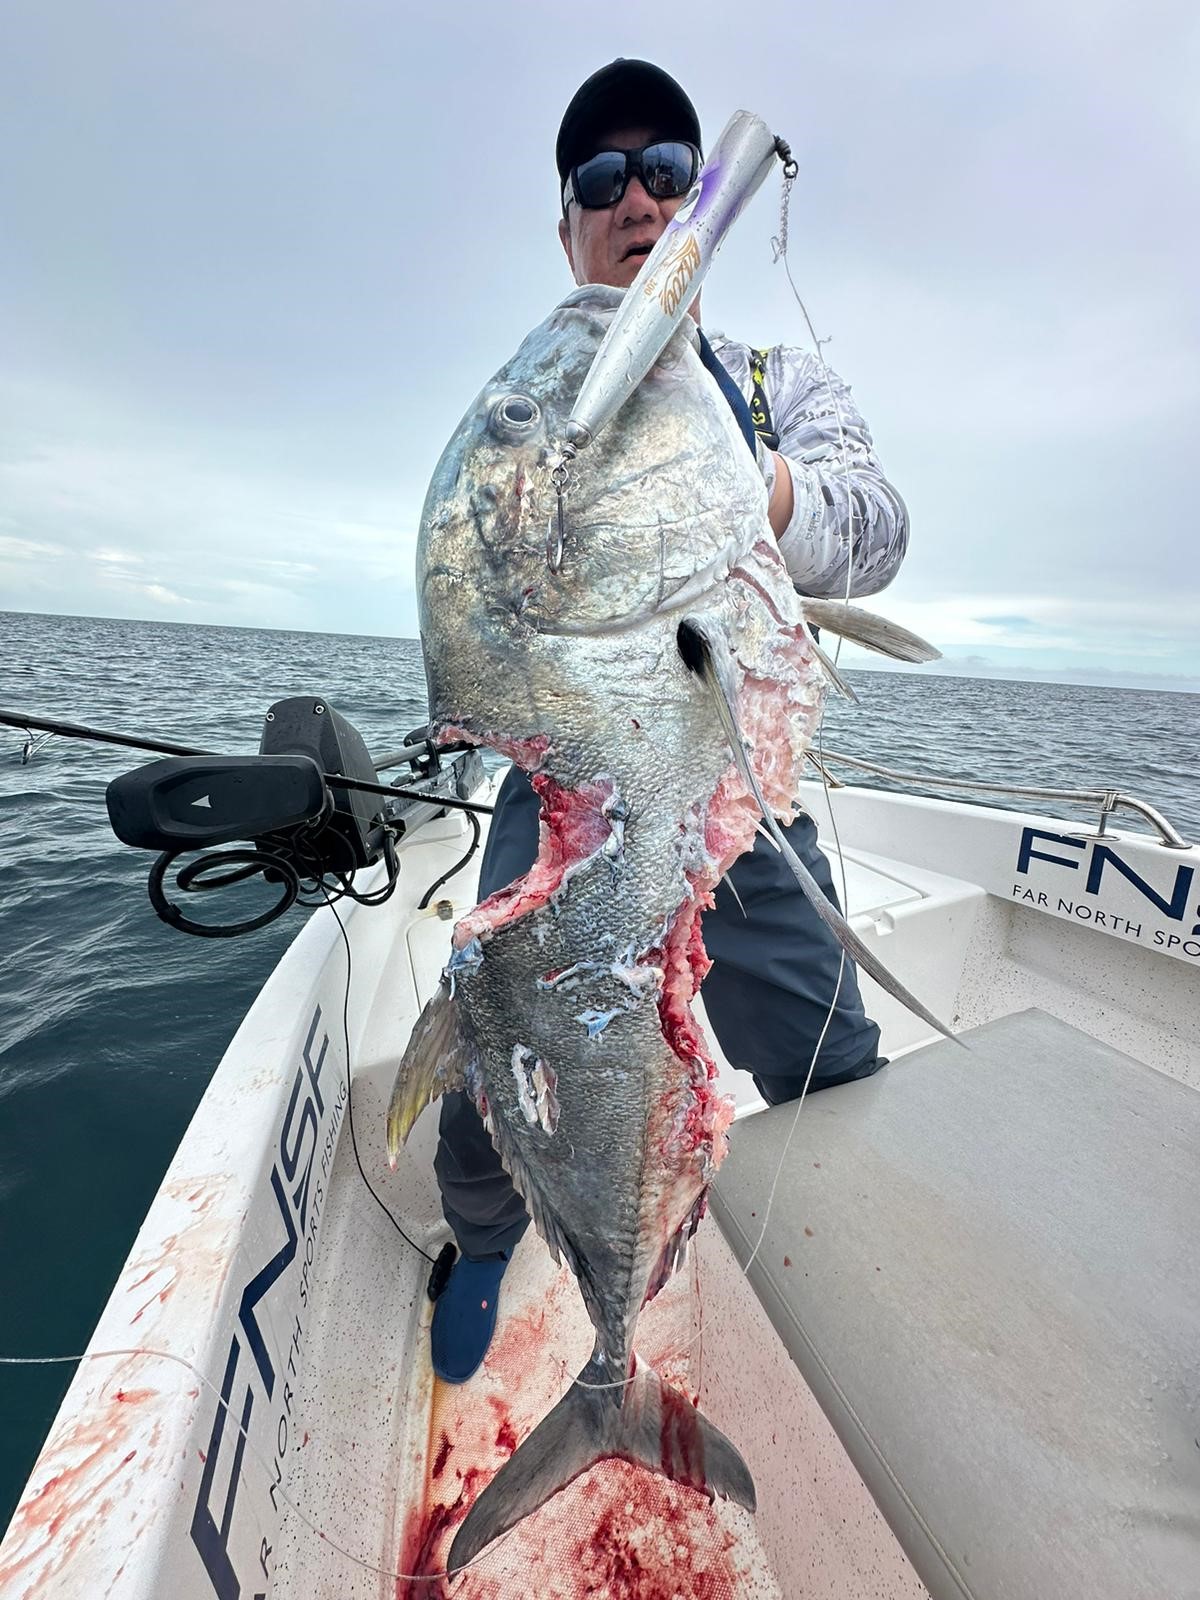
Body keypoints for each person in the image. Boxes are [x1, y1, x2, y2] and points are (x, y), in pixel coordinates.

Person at [430, 59, 910, 1382]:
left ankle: (865, 1276)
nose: (634, 196)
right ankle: (481, 1237)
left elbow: (875, 536)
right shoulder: (533, 403)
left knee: (830, 1049)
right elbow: (476, 587)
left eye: (666, 172)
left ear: (699, 200)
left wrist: (744, 486)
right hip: (573, 786)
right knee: (495, 1037)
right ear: (570, 221)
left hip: (731, 786)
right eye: (599, 178)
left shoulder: (769, 385)